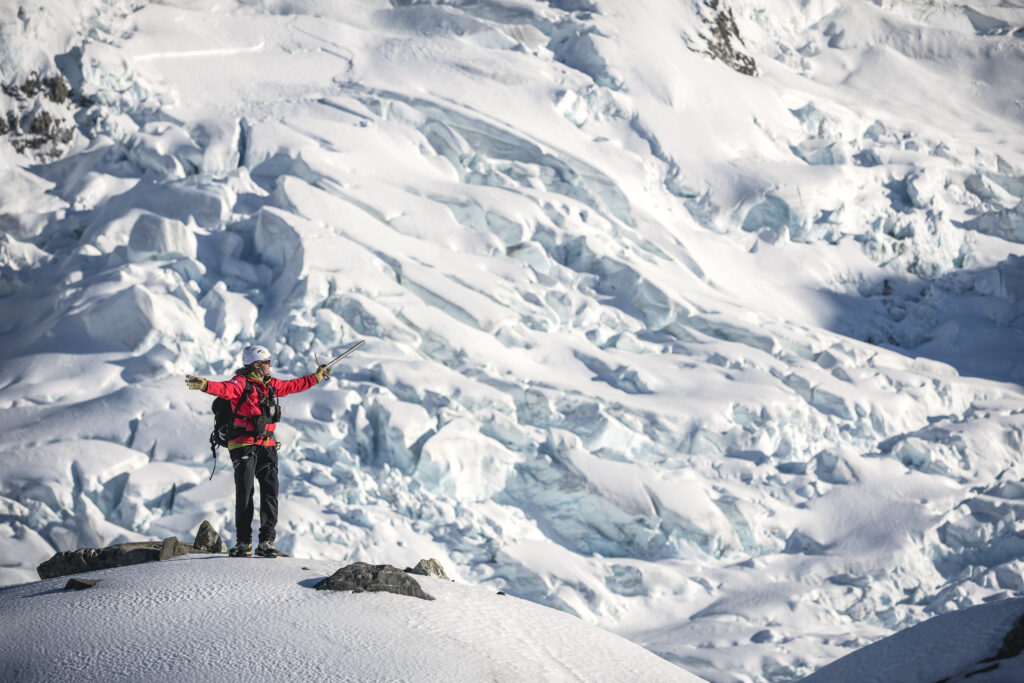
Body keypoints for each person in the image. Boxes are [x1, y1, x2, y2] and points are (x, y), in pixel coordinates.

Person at [185, 344, 331, 558]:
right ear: (255, 365)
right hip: (243, 445)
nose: (270, 365)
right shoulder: (240, 383)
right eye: (266, 362)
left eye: (269, 361)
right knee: (245, 493)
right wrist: (205, 385)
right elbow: (224, 389)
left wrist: (316, 377)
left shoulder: (272, 385)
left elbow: (294, 385)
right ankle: (243, 543)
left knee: (270, 493)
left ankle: (266, 542)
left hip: (268, 446)